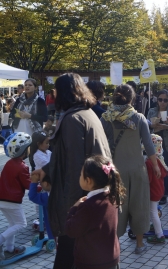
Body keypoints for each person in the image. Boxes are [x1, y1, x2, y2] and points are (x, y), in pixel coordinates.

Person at [31, 73, 111, 269]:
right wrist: (46, 171)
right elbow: (68, 156)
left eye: (56, 90)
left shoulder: (73, 119)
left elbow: (76, 166)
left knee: (68, 256)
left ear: (65, 92)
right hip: (95, 196)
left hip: (81, 201)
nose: (54, 94)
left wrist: (72, 212)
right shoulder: (88, 113)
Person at [101, 84, 160, 254]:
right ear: (133, 99)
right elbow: (149, 145)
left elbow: (101, 144)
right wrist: (155, 166)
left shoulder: (105, 118)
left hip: (114, 170)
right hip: (137, 169)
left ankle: (114, 246)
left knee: (116, 206)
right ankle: (140, 245)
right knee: (139, 206)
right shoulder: (139, 118)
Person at [65, 155, 125, 269]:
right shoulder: (112, 197)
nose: (79, 177)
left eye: (80, 175)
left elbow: (71, 230)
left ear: (88, 180)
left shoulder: (89, 206)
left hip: (91, 262)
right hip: (111, 259)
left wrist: (73, 209)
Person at [0, 132, 32, 260]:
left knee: (13, 223)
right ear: (24, 151)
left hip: (2, 199)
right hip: (12, 201)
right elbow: (28, 185)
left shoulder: (9, 163)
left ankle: (10, 248)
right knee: (22, 223)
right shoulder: (22, 167)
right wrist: (41, 186)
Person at [147, 90, 168, 205]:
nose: (162, 102)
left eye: (165, 100)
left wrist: (166, 127)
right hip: (154, 146)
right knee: (154, 169)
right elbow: (146, 128)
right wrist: (153, 126)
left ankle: (165, 194)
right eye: (160, 99)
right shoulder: (152, 111)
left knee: (166, 170)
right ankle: (155, 192)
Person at [145, 134, 168, 244]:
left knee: (153, 212)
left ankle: (159, 235)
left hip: (153, 192)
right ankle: (154, 226)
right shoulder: (160, 160)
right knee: (154, 210)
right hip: (159, 190)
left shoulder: (149, 162)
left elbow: (148, 180)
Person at [28, 174, 54, 240]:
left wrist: (34, 182)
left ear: (45, 184)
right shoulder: (64, 194)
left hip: (53, 230)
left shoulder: (47, 197)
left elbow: (32, 196)